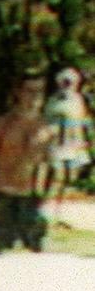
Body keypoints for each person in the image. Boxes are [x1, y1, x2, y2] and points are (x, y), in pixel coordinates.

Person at [0, 70, 55, 254]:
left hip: (32, 199)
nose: (34, 97)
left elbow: (51, 167)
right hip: (5, 196)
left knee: (35, 259)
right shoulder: (1, 125)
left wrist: (48, 200)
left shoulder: (47, 129)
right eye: (29, 91)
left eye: (39, 91)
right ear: (18, 92)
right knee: (0, 259)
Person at [45, 67, 94, 222]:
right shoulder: (53, 101)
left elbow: (83, 120)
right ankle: (47, 213)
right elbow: (47, 120)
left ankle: (59, 214)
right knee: (57, 177)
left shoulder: (79, 100)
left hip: (74, 145)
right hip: (56, 144)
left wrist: (87, 139)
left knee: (69, 180)